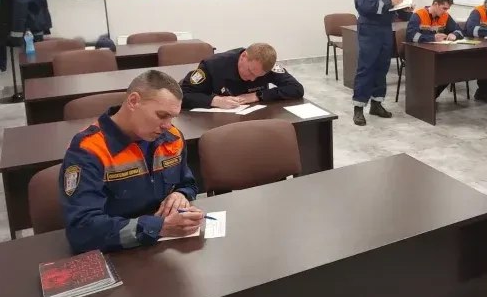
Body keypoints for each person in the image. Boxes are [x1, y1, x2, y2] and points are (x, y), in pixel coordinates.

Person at [60, 70, 204, 253]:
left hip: (163, 247)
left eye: (172, 117)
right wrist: (159, 227)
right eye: (162, 115)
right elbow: (82, 229)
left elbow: (187, 183)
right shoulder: (88, 150)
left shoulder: (172, 138)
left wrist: (180, 194)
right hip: (117, 252)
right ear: (133, 101)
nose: (167, 125)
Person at [352, 0, 412, 126]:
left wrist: (406, 10)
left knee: (382, 67)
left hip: (386, 27)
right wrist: (390, 2)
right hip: (369, 28)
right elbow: (365, 5)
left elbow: (394, 7)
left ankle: (376, 104)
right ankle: (358, 108)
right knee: (366, 67)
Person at [180, 43, 304, 109]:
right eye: (250, 71)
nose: (252, 79)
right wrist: (214, 100)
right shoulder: (213, 65)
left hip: (255, 117)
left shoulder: (268, 66)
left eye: (258, 76)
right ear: (243, 56)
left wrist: (258, 96)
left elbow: (296, 89)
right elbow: (183, 96)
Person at [406, 0, 465, 99]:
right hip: (420, 55)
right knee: (439, 69)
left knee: (452, 69)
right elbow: (411, 36)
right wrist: (432, 38)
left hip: (438, 54)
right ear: (436, 4)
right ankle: (425, 97)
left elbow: (460, 31)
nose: (445, 11)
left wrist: (454, 34)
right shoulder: (418, 15)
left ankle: (431, 96)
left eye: (447, 9)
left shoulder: (445, 16)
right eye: (444, 8)